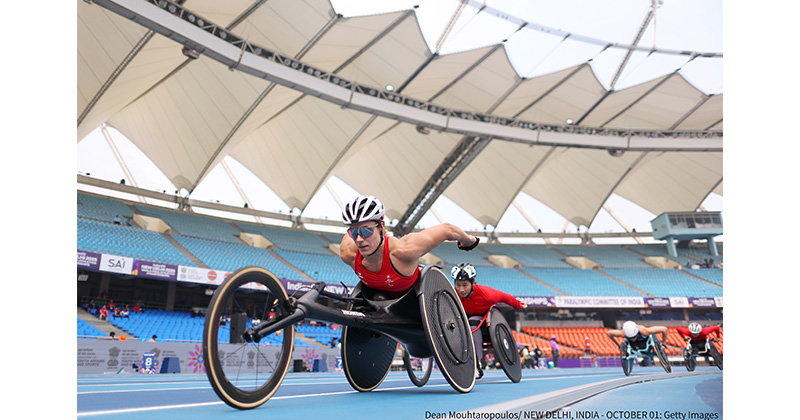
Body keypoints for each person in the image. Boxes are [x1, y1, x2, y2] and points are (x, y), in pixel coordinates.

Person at [339, 195, 479, 297]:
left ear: (381, 226)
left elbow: (447, 229)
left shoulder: (404, 250)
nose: (359, 239)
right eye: (353, 232)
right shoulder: (348, 253)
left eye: (365, 230)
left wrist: (469, 240)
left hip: (414, 298)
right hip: (375, 301)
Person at [450, 262, 527, 378]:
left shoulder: (486, 293)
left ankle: (478, 364)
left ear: (473, 283)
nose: (461, 289)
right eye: (458, 284)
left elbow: (505, 297)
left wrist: (518, 305)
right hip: (463, 320)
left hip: (484, 323)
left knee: (473, 321)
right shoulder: (453, 294)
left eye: (465, 285)